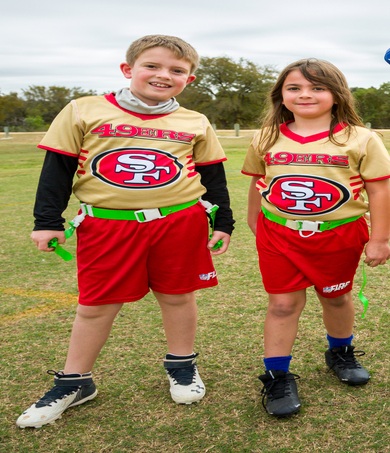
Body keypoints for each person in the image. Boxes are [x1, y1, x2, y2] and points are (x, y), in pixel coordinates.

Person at [17, 35, 234, 428]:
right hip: (108, 224)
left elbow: (212, 176)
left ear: (190, 78)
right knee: (96, 305)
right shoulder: (84, 110)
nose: (163, 75)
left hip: (178, 221)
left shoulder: (194, 121)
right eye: (152, 66)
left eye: (177, 70)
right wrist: (46, 220)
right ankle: (76, 380)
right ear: (128, 69)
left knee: (178, 296)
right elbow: (57, 170)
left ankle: (182, 365)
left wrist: (224, 222)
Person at [242, 58, 390, 417]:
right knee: (282, 304)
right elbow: (257, 181)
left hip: (338, 235)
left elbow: (379, 192)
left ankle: (340, 352)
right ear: (281, 94)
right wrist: (254, 220)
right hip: (279, 234)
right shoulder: (266, 136)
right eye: (294, 87)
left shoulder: (361, 138)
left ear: (337, 94)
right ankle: (277, 375)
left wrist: (380, 238)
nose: (305, 94)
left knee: (337, 298)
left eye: (317, 87)